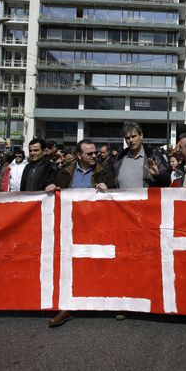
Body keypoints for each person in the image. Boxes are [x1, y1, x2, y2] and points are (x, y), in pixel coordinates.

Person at [46, 139, 116, 328]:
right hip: (70, 228)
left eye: (95, 153)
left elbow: (117, 197)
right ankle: (67, 307)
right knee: (69, 267)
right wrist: (50, 189)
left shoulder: (105, 172)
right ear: (79, 156)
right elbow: (53, 191)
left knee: (97, 265)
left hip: (97, 228)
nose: (95, 156)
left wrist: (108, 190)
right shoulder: (63, 172)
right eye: (90, 153)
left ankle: (106, 301)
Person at [113, 122, 170, 189]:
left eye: (134, 136)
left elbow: (167, 181)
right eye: (127, 138)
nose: (131, 140)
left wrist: (158, 175)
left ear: (141, 136)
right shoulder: (120, 158)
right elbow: (112, 183)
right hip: (122, 199)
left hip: (148, 198)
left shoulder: (153, 155)